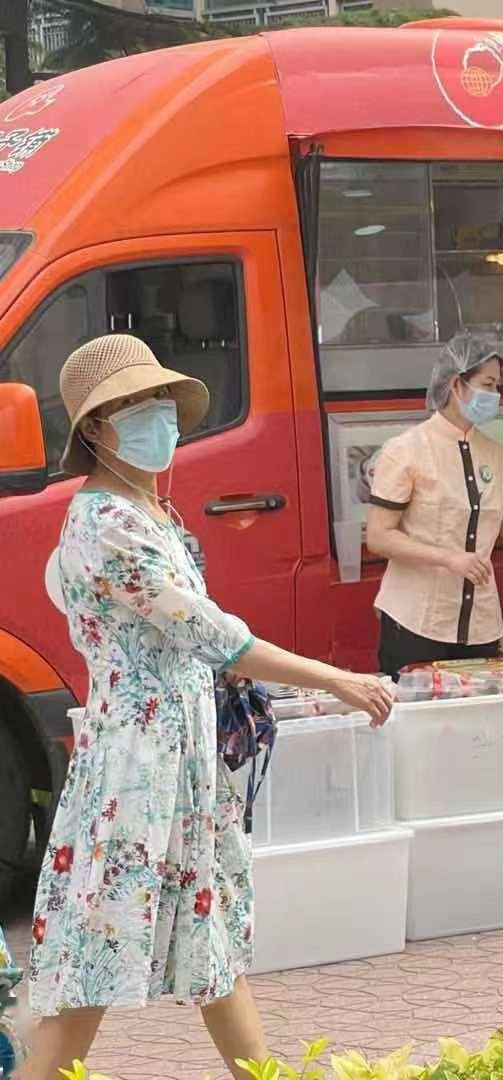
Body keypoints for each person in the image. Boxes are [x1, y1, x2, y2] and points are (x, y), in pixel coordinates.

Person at [20, 336, 395, 1080]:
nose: (160, 419)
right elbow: (212, 634)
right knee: (92, 966)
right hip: (137, 768)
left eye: (163, 404)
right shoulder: (107, 525)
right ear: (95, 428)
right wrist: (335, 678)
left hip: (178, 761)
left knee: (210, 938)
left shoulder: (147, 511)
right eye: (136, 407)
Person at [366, 335, 503, 677]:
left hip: (481, 626)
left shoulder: (496, 456)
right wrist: (448, 558)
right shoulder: (406, 450)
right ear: (456, 384)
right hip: (416, 621)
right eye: (487, 384)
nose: (495, 395)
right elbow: (380, 537)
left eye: (498, 386)